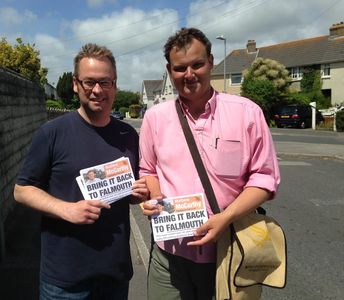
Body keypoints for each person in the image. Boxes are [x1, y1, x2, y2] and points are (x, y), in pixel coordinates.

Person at [139, 28, 280, 300]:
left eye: (197, 64)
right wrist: (155, 198)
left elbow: (264, 179)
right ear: (169, 70)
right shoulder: (154, 118)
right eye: (180, 68)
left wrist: (226, 217)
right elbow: (148, 171)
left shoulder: (247, 113)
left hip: (228, 250)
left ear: (211, 62)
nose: (189, 74)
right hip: (169, 254)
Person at [14, 43, 148, 300]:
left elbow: (127, 192)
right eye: (89, 82)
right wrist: (66, 209)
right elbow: (22, 190)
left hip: (115, 274)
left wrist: (136, 194)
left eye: (105, 82)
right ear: (76, 84)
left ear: (114, 85)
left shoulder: (128, 134)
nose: (97, 90)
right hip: (64, 281)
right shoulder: (52, 133)